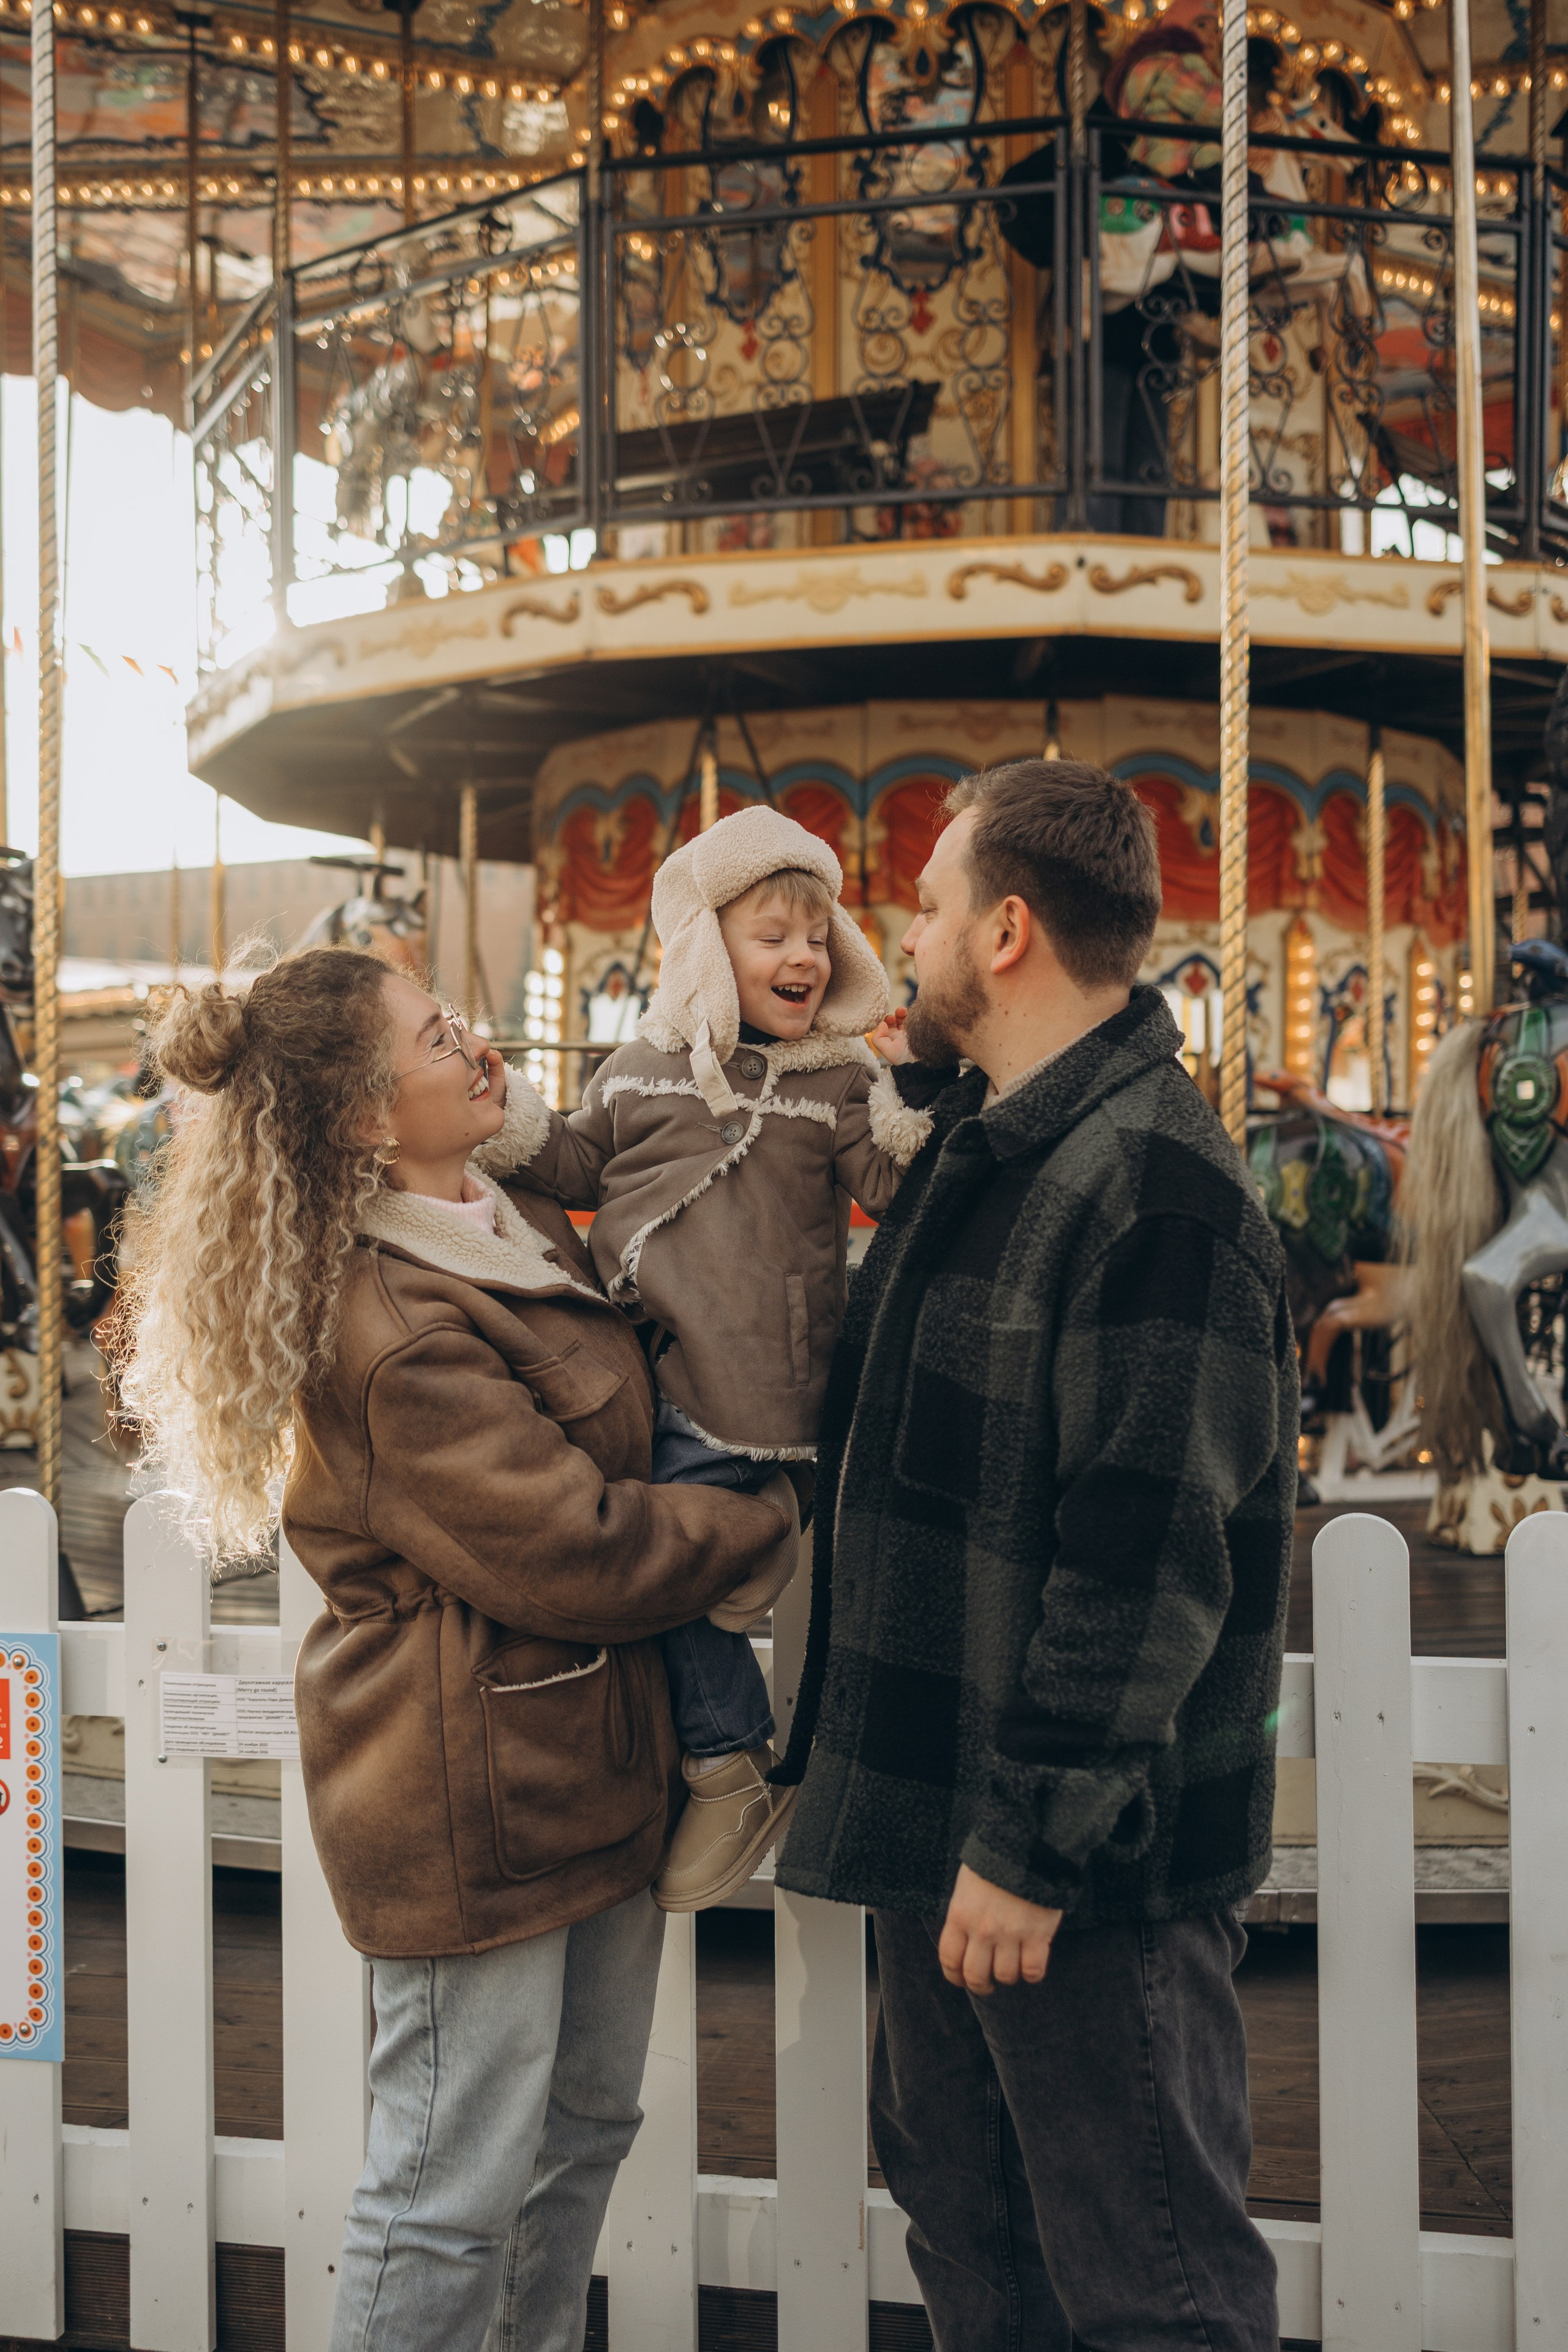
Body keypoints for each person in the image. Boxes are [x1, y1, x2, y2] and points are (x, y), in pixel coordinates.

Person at [116, 946, 793, 2352]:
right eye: (438, 1037)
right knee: (447, 2184)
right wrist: (762, 1517)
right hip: (468, 1789)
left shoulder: (517, 1216)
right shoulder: (387, 1326)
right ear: (368, 1117)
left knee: (584, 2128)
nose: (476, 1047)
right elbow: (579, 1551)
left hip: (594, 1761)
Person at [773, 760, 1295, 2351]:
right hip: (951, 1826)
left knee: (1150, 2283)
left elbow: (1143, 1558)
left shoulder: (1156, 1191)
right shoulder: (991, 1152)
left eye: (926, 905)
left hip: (1074, 1870)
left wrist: (1030, 1840)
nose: (903, 937)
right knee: (978, 2248)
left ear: (1003, 931)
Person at [495, 805, 937, 1911]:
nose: (802, 957)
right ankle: (738, 1610)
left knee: (658, 1572)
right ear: (704, 948)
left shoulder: (832, 1083)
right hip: (650, 1370)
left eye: (814, 936)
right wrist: (495, 1111)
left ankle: (730, 1757)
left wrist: (920, 1091)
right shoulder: (641, 1072)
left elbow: (895, 1190)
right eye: (770, 936)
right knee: (623, 1554)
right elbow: (573, 1158)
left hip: (757, 1381)